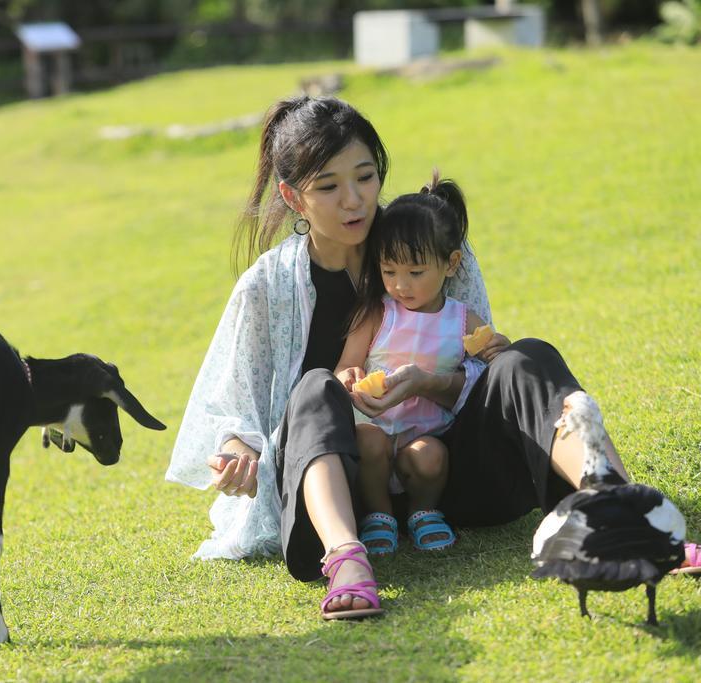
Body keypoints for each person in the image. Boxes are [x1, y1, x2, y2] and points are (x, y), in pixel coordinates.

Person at [165, 95, 633, 621]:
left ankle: (619, 508)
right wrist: (236, 451)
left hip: (444, 473)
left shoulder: (430, 239)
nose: (354, 200)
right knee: (316, 386)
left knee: (528, 357)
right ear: (293, 197)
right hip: (340, 496)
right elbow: (232, 403)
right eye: (328, 186)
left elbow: (479, 372)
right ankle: (346, 560)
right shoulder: (267, 286)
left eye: (365, 177)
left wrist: (428, 383)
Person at [333, 172, 508, 557]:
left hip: (425, 433)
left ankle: (422, 510)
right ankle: (378, 514)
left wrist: (498, 347)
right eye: (389, 270)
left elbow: (497, 359)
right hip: (375, 423)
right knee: (369, 442)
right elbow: (344, 366)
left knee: (430, 456)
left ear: (450, 264)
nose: (400, 285)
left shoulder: (462, 320)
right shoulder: (377, 313)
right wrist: (353, 378)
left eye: (415, 273)